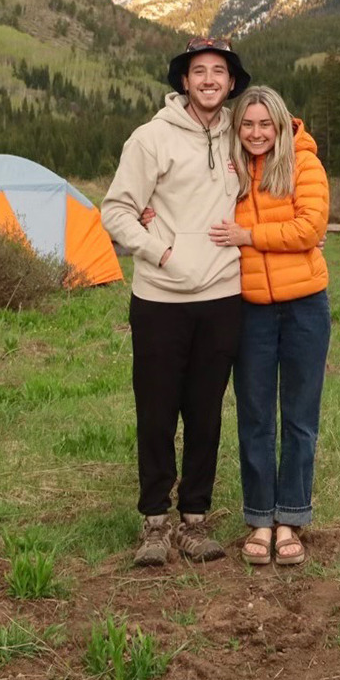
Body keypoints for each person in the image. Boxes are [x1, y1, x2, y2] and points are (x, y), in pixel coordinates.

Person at [101, 38, 250, 566]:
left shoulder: (243, 134)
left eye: (219, 72)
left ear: (232, 83)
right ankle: (154, 523)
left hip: (223, 297)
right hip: (160, 299)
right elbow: (117, 209)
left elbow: (286, 146)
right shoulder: (149, 139)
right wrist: (161, 251)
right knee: (158, 411)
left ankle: (194, 520)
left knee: (206, 414)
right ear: (183, 81)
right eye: (198, 71)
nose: (209, 79)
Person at [208, 85, 330, 565]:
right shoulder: (232, 173)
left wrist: (249, 236)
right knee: (256, 416)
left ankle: (291, 518)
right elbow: (198, 211)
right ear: (238, 129)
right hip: (252, 309)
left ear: (281, 124)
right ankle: (260, 518)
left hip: (305, 307)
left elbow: (310, 229)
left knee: (300, 419)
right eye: (247, 124)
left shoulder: (304, 165)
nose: (257, 133)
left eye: (265, 124)